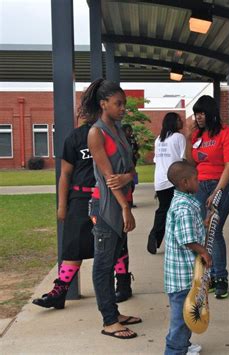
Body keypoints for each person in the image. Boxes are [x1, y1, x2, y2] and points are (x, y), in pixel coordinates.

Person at [32, 88, 132, 310]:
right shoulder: (76, 137)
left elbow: (125, 168)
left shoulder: (114, 133)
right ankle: (60, 291)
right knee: (74, 245)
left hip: (107, 196)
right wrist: (61, 205)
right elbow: (65, 174)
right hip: (80, 197)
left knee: (116, 242)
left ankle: (123, 283)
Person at [87, 78, 141, 339]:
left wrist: (129, 178)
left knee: (111, 260)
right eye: (118, 104)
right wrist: (125, 208)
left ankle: (114, 312)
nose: (123, 109)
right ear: (103, 103)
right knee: (103, 264)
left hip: (122, 202)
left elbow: (130, 170)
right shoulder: (96, 132)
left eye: (124, 104)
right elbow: (109, 178)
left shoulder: (119, 129)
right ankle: (109, 321)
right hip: (107, 206)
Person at [184, 95, 229, 299]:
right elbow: (189, 162)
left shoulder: (227, 133)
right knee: (203, 231)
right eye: (196, 113)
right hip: (199, 185)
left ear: (211, 113)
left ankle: (221, 278)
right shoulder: (197, 135)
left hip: (221, 185)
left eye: (201, 113)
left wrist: (217, 191)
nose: (198, 117)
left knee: (214, 231)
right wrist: (187, 137)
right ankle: (207, 276)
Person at [164, 161, 211, 355]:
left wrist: (202, 222)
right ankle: (175, 350)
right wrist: (204, 252)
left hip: (182, 273)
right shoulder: (184, 207)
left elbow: (187, 228)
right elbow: (187, 239)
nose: (198, 182)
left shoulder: (183, 201)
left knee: (186, 314)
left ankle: (183, 344)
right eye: (196, 179)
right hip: (182, 277)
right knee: (182, 317)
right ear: (185, 182)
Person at [147, 112, 186, 254]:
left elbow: (157, 160)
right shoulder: (179, 137)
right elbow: (184, 159)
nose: (181, 122)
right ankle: (174, 241)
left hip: (160, 180)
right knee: (176, 211)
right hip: (174, 180)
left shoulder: (159, 139)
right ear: (173, 122)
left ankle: (155, 236)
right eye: (179, 120)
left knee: (163, 209)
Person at [122, 123, 139, 208]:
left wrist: (136, 154)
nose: (131, 132)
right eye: (129, 130)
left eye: (131, 130)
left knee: (131, 185)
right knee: (129, 186)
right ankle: (127, 203)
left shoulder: (132, 140)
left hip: (132, 165)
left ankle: (130, 202)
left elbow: (136, 150)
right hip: (125, 167)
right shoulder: (121, 141)